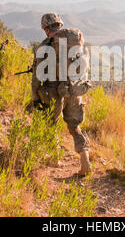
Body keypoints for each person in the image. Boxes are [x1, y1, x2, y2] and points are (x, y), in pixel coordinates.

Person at [31, 13, 92, 176]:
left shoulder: (45, 45)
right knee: (74, 126)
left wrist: (35, 97)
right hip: (74, 90)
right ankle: (85, 160)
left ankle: (55, 158)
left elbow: (37, 76)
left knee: (50, 125)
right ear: (59, 24)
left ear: (45, 28)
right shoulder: (75, 42)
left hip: (53, 92)